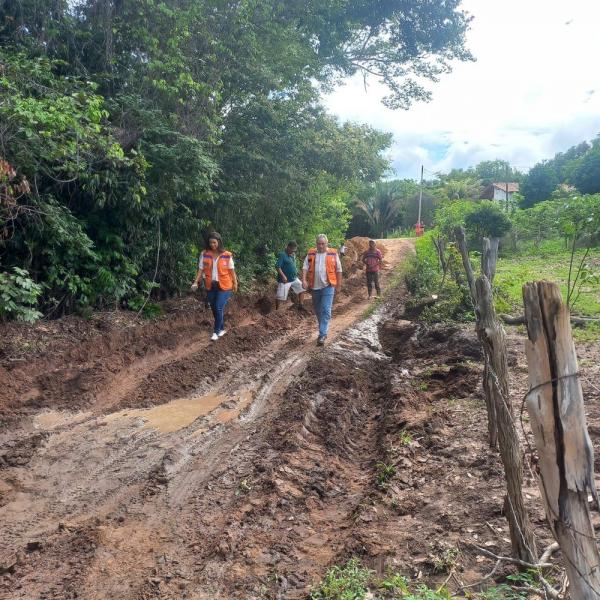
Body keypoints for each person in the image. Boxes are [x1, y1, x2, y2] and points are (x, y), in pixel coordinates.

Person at [191, 232, 238, 341]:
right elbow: (200, 270)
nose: (212, 244)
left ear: (219, 242)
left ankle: (216, 332)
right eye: (210, 243)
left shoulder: (226, 255)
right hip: (210, 285)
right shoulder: (204, 254)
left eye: (214, 242)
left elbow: (232, 271)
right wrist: (195, 282)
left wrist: (235, 283)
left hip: (225, 286)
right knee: (214, 308)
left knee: (218, 307)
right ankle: (221, 329)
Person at [302, 234, 343, 346]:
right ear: (316, 244)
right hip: (314, 287)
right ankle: (323, 328)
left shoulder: (333, 254)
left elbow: (339, 270)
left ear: (327, 244)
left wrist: (339, 285)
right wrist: (304, 280)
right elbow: (305, 267)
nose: (320, 246)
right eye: (319, 243)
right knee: (318, 310)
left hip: (328, 286)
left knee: (325, 309)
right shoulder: (311, 254)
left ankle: (322, 334)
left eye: (323, 243)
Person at [275, 241, 305, 310]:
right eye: (292, 250)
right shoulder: (282, 255)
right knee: (280, 297)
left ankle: (301, 306)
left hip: (294, 278)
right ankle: (277, 311)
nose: (293, 251)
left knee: (302, 289)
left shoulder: (292, 255)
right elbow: (277, 267)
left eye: (294, 250)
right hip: (285, 280)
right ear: (288, 247)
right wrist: (283, 276)